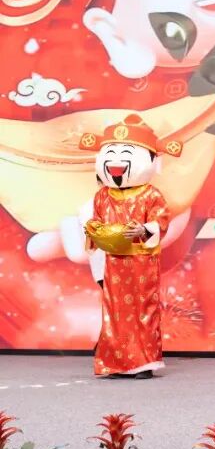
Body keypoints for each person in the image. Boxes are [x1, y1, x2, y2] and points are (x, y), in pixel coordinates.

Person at [81, 114, 184, 378]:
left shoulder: (151, 195)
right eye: (111, 154)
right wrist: (93, 230)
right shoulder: (103, 195)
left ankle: (144, 363)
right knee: (115, 312)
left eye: (125, 154)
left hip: (141, 262)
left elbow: (160, 222)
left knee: (142, 310)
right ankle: (117, 363)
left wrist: (143, 230)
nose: (115, 162)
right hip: (114, 262)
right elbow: (96, 220)